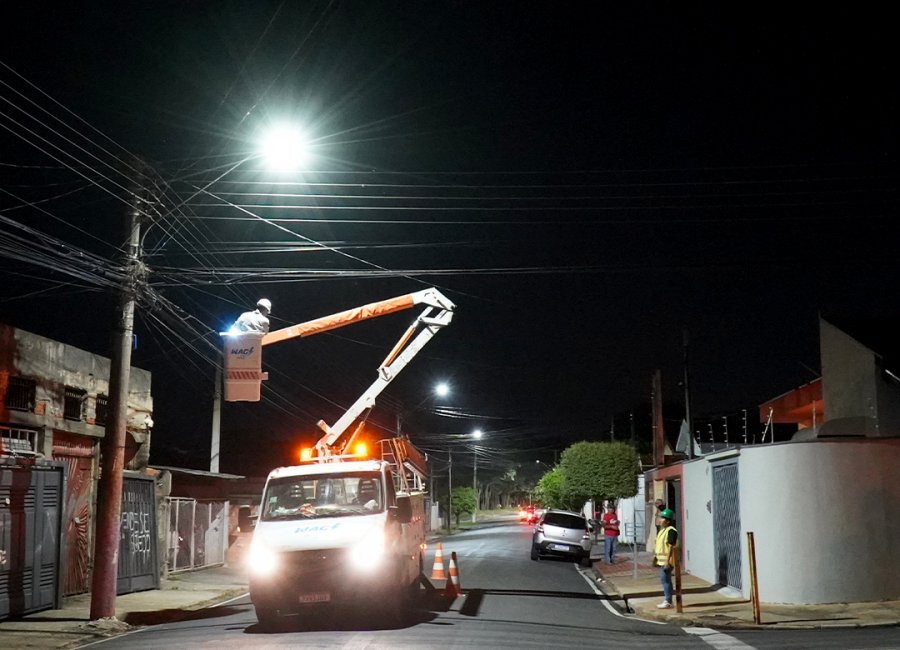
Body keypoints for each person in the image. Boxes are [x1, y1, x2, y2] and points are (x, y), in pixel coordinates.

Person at [654, 508, 679, 609]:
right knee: (664, 580)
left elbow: (670, 547)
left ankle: (668, 601)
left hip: (666, 561)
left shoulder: (671, 531)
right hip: (661, 561)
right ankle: (667, 599)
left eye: (662, 518)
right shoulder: (662, 531)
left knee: (666, 580)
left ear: (668, 520)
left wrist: (667, 562)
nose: (660, 520)